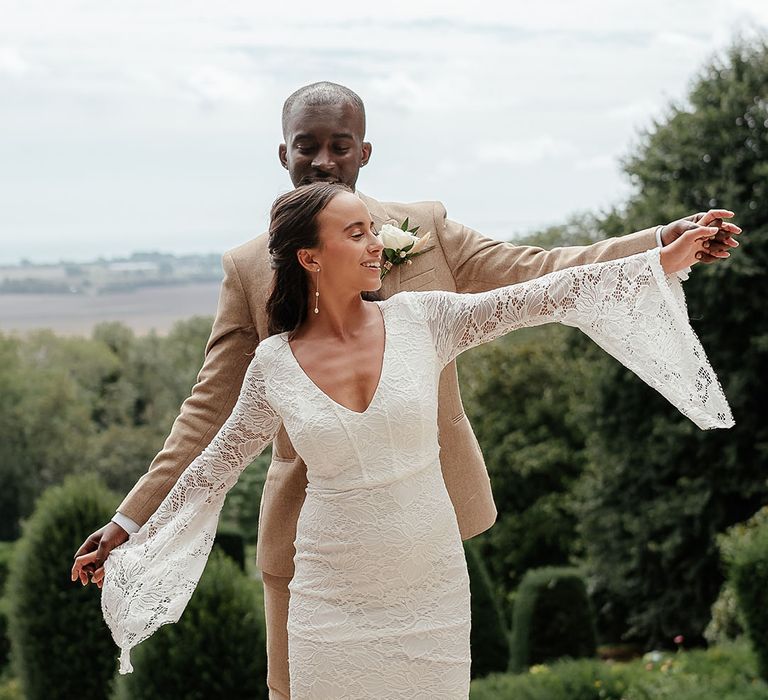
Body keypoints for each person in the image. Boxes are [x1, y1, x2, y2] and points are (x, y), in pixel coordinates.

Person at [72, 82, 740, 699]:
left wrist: (657, 248)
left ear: (364, 150)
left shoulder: (424, 242)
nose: (325, 160)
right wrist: (132, 524)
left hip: (425, 526)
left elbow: (543, 280)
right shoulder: (250, 278)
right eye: (308, 145)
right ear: (284, 153)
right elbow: (208, 424)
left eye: (340, 145)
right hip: (312, 549)